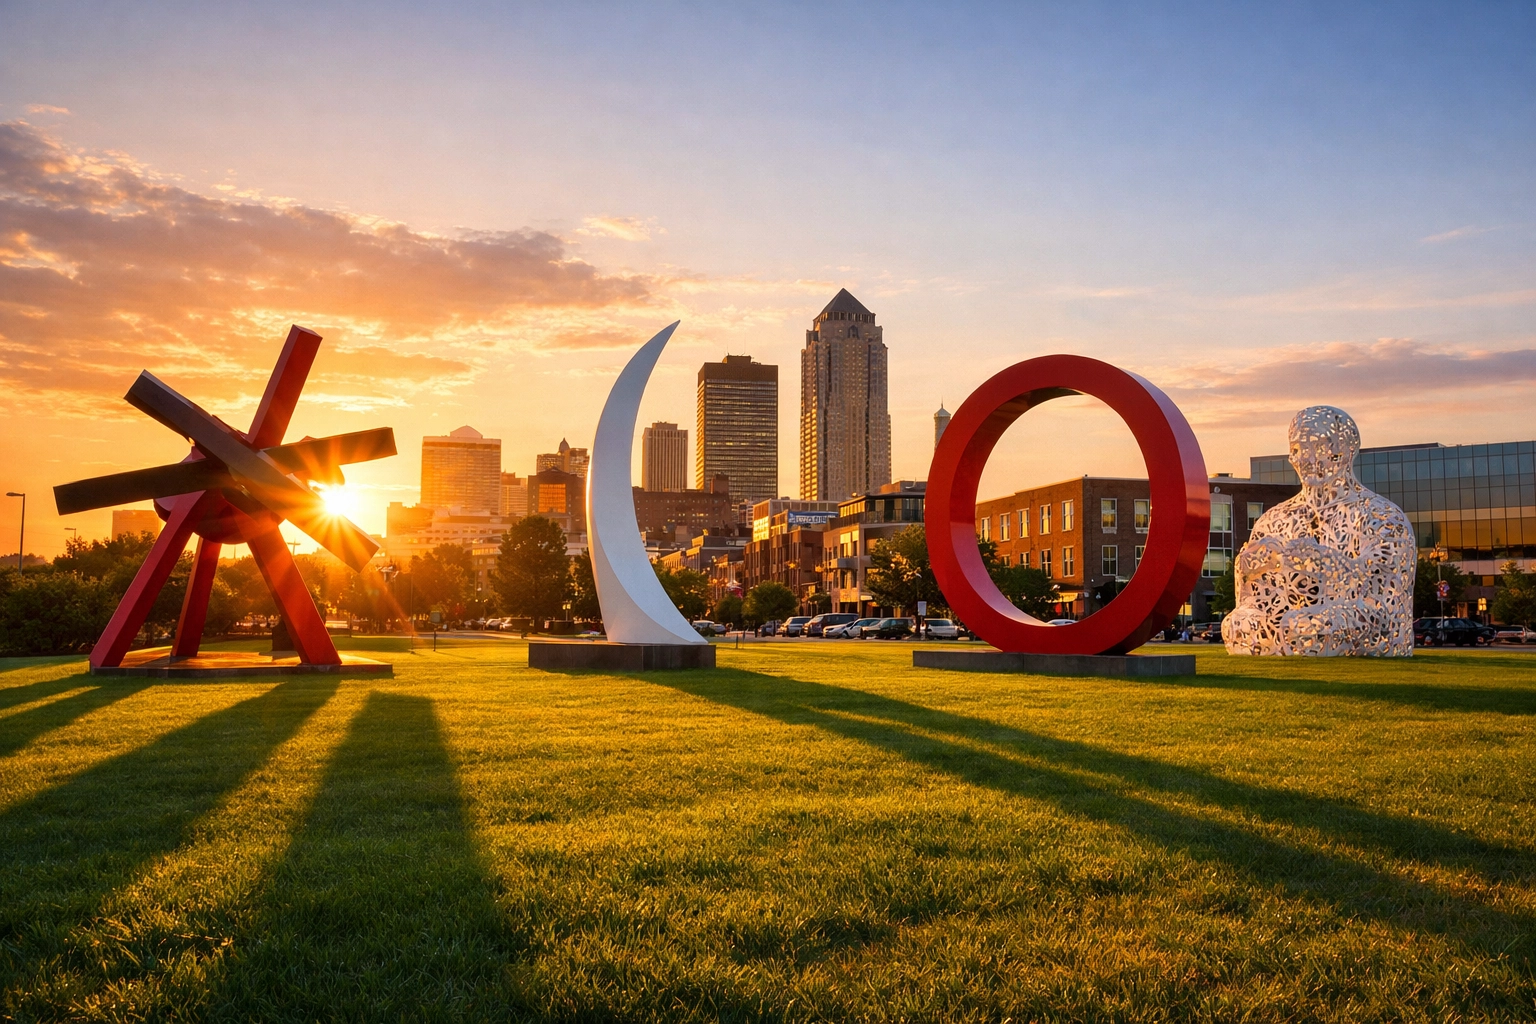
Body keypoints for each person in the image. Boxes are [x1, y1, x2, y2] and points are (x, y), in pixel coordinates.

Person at [1222, 406, 1414, 656]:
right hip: (1292, 620)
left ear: (1346, 451)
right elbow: (1251, 597)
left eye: (1321, 448)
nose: (1309, 460)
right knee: (1236, 626)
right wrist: (1246, 569)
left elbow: (1384, 597)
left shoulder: (1382, 516)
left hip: (1357, 620)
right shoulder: (1274, 519)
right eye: (1299, 449)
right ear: (1291, 456)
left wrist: (1329, 565)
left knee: (1307, 627)